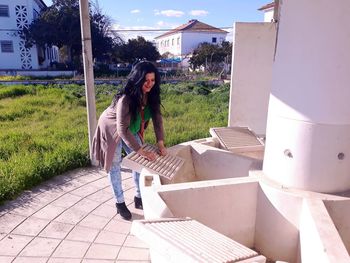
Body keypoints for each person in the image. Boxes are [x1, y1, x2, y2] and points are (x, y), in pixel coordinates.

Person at [92, 61, 167, 220]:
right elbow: (121, 129)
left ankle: (139, 197)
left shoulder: (152, 96)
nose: (149, 84)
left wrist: (160, 143)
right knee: (115, 164)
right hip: (112, 128)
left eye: (153, 80)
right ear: (137, 79)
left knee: (140, 162)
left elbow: (158, 121)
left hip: (129, 128)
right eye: (146, 80)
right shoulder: (125, 99)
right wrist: (140, 150)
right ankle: (119, 203)